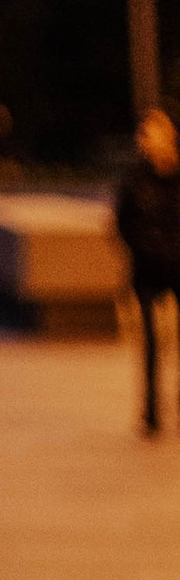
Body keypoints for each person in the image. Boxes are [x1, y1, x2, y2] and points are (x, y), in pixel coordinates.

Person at [115, 108, 180, 435]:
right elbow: (121, 223)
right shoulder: (134, 179)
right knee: (152, 342)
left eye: (153, 132)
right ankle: (152, 411)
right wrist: (144, 246)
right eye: (143, 134)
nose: (146, 140)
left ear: (170, 135)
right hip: (147, 269)